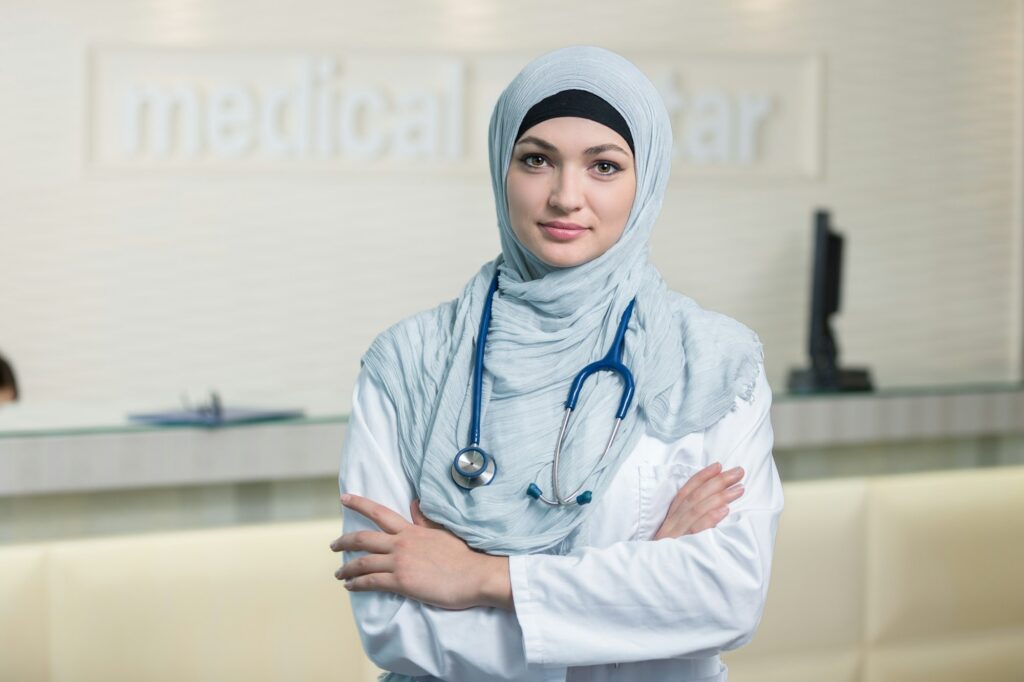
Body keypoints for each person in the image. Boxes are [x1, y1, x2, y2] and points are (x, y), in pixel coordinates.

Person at [332, 45, 784, 682]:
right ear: (502, 168)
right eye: (537, 160)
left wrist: (483, 577)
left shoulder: (711, 361)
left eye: (604, 166)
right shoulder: (410, 364)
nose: (566, 196)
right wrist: (639, 583)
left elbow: (727, 598)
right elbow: (396, 628)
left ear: (646, 179)